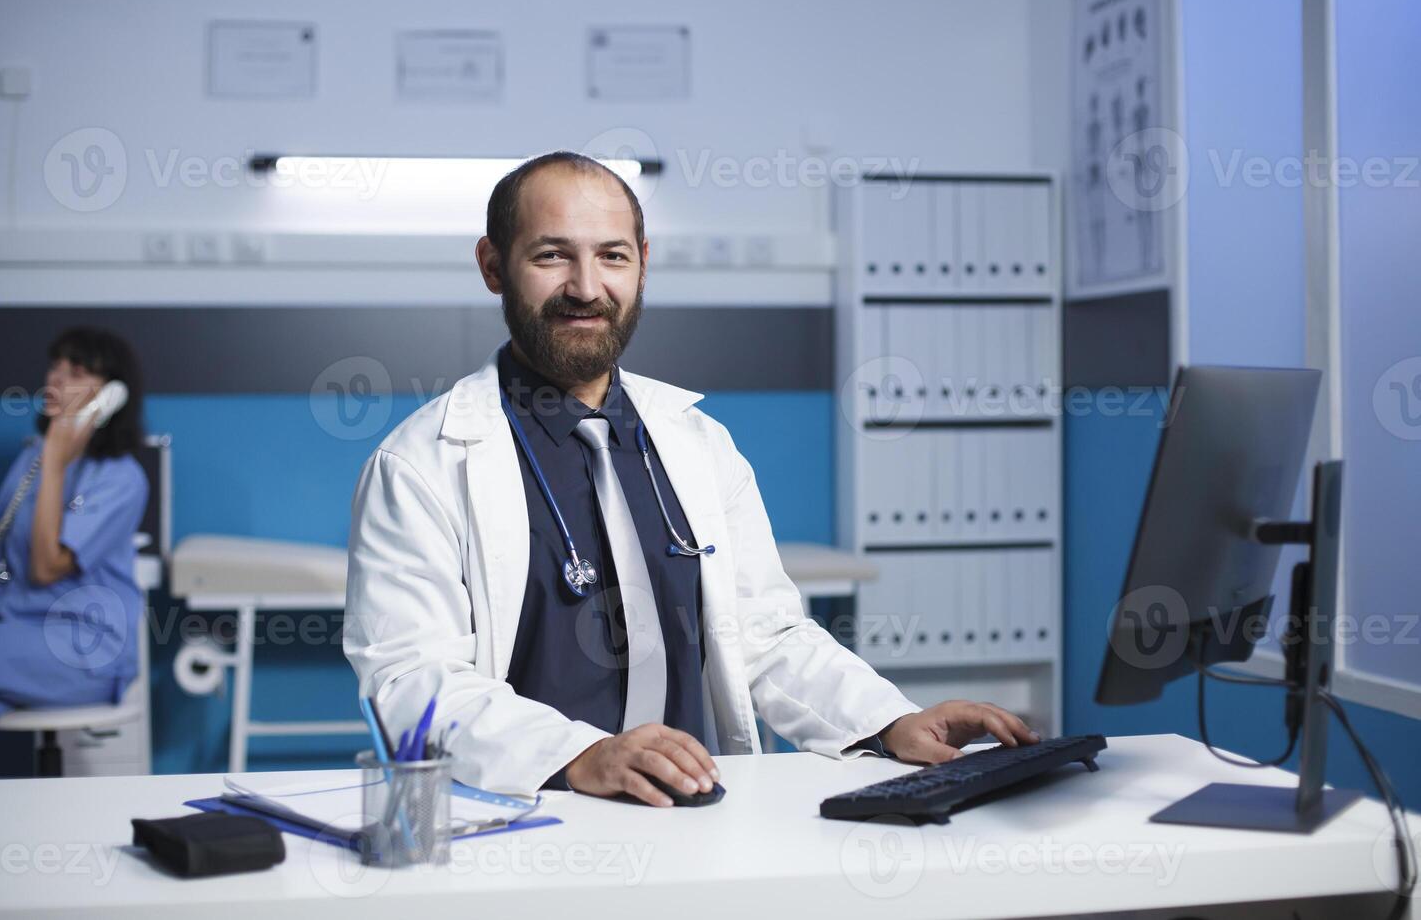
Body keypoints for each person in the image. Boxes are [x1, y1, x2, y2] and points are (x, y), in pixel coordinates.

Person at [344, 152, 1038, 806]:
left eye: (612, 256)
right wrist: (581, 756)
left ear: (643, 266)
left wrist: (891, 722)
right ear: (493, 267)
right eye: (551, 255)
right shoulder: (422, 465)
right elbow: (411, 680)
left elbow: (766, 635)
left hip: (692, 810)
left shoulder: (699, 446)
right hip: (527, 812)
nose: (586, 288)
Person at [0, 327, 149, 815]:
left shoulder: (121, 477)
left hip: (80, 646)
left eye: (76, 372)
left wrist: (57, 462)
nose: (54, 379)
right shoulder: (28, 461)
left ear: (111, 394)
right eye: (54, 367)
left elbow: (43, 570)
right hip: (12, 634)